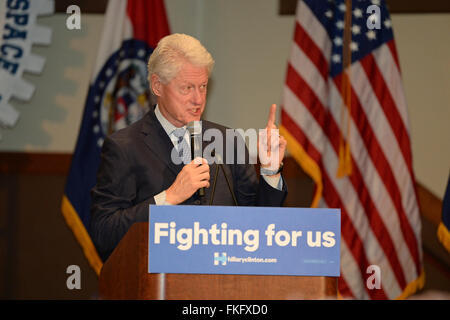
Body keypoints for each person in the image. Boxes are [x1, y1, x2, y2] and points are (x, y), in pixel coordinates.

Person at [90, 34, 288, 261]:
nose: (198, 99)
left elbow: (258, 227)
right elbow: (103, 232)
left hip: (223, 282)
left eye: (202, 87)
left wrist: (271, 171)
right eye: (187, 88)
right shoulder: (124, 147)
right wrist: (169, 197)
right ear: (157, 86)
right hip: (154, 284)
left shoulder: (228, 141)